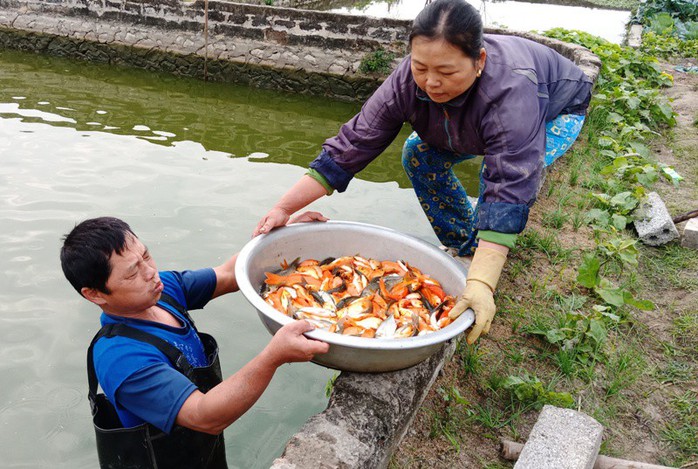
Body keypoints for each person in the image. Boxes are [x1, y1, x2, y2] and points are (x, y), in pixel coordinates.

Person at [253, 0, 593, 345]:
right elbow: (352, 145)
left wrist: (481, 284)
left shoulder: (512, 93)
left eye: (446, 72)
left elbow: (509, 185)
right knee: (418, 154)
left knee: (499, 171)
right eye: (421, 68)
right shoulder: (407, 80)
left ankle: (481, 263)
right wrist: (284, 208)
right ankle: (464, 243)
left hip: (554, 110)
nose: (431, 82)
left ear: (480, 61)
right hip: (464, 114)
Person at [60, 216, 329, 468]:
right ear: (95, 294)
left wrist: (282, 236)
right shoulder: (122, 358)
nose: (151, 272)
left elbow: (227, 274)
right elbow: (205, 415)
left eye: (146, 256)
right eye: (132, 273)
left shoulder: (163, 289)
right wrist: (274, 356)